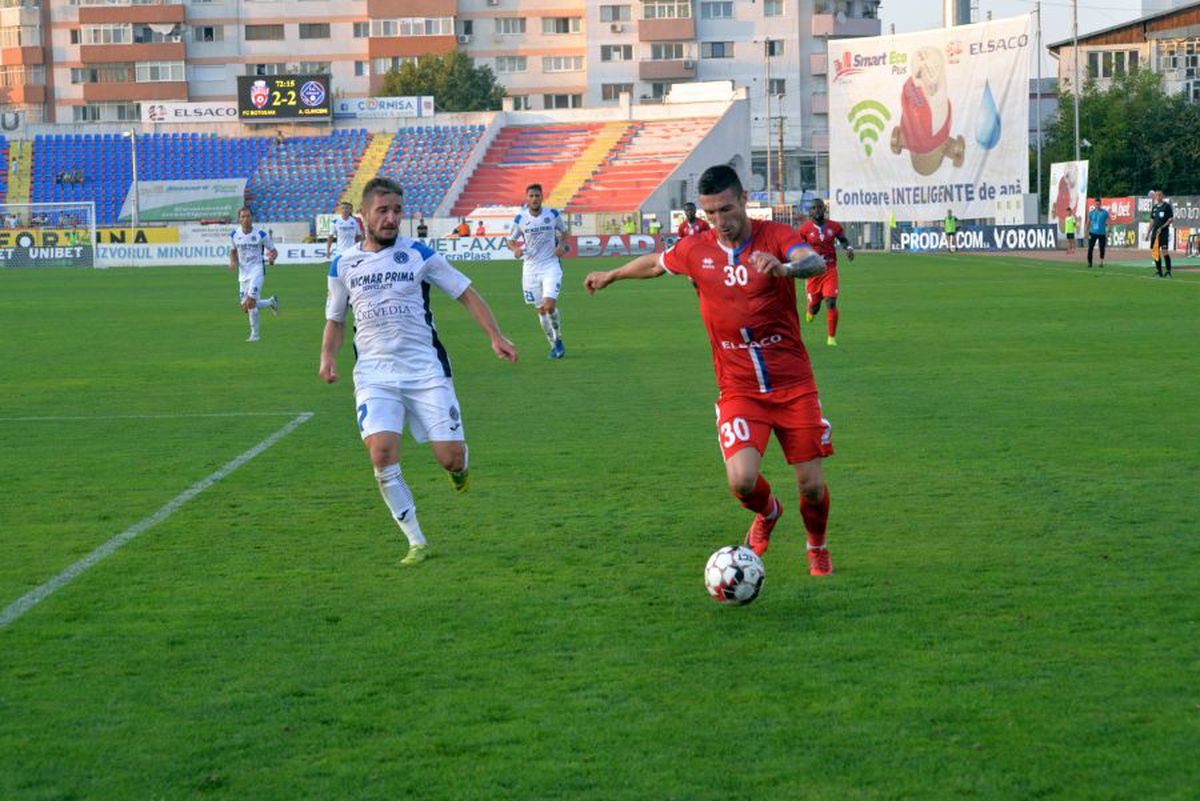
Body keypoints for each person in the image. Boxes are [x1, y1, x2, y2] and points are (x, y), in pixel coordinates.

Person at [583, 164, 836, 577]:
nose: (719, 221)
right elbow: (655, 264)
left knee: (810, 483)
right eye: (710, 213)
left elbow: (812, 262)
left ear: (743, 201)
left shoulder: (775, 236)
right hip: (739, 389)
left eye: (725, 210)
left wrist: (785, 269)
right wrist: (612, 275)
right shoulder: (697, 248)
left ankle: (817, 547)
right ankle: (769, 513)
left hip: (793, 384)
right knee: (742, 482)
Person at [320, 177, 519, 567]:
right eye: (383, 210)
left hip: (426, 371)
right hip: (374, 374)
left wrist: (496, 336)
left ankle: (459, 469)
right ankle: (416, 541)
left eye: (397, 210)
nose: (392, 218)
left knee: (450, 458)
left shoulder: (419, 254)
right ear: (363, 215)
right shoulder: (343, 264)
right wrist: (328, 355)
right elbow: (336, 318)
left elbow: (465, 292)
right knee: (381, 454)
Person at [508, 182, 570, 359]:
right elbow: (510, 241)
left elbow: (564, 233)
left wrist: (562, 245)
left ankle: (558, 339)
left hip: (550, 265)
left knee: (549, 306)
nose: (534, 199)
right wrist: (516, 250)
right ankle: (553, 345)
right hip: (530, 269)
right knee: (541, 310)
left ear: (542, 197)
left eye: (537, 196)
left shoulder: (552, 214)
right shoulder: (521, 219)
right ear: (527, 198)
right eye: (531, 196)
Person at [797, 198, 854, 347]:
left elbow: (843, 240)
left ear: (824, 209)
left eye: (820, 207)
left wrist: (848, 249)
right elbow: (797, 247)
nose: (817, 210)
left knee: (831, 301)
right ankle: (810, 308)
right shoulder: (804, 229)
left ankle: (831, 338)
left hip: (830, 269)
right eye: (814, 208)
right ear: (810, 211)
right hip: (813, 271)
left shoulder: (834, 226)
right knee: (815, 308)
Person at [228, 206, 279, 342]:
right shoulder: (234, 234)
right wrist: (232, 262)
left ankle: (255, 335)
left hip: (257, 270)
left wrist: (272, 258)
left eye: (248, 216)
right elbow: (233, 251)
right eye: (243, 216)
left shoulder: (260, 234)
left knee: (251, 303)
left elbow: (274, 251)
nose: (245, 219)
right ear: (239, 219)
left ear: (252, 218)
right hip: (243, 273)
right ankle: (270, 302)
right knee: (245, 307)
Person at [1150, 190, 1173, 278]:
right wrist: (1148, 232)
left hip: (1163, 233)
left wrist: (1162, 227)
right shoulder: (1154, 207)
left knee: (1164, 252)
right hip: (1155, 233)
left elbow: (1170, 219)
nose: (1158, 197)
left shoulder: (1167, 206)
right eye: (1157, 196)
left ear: (1162, 196)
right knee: (1156, 252)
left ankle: (1168, 271)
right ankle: (1159, 271)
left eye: (1160, 195)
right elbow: (1152, 221)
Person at [1086, 196, 1109, 270]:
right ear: (1094, 204)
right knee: (1090, 248)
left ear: (1101, 204)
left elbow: (1108, 222)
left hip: (1102, 233)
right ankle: (1090, 263)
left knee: (1102, 248)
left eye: (1099, 204)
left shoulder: (1105, 213)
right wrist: (1086, 231)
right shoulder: (1091, 213)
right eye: (1096, 204)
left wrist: (1108, 231)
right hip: (1092, 233)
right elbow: (1088, 223)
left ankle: (1101, 262)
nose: (1097, 206)